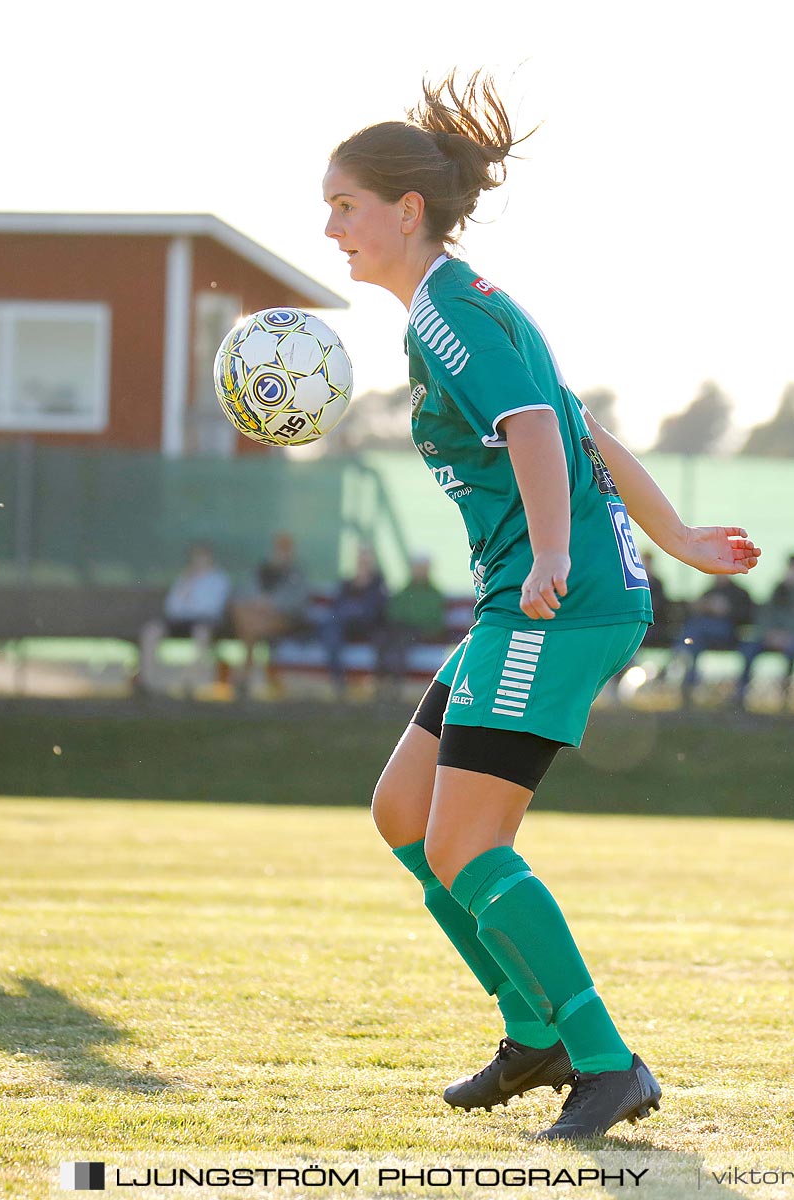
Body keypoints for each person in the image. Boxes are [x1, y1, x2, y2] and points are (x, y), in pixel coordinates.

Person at [325, 73, 759, 1140]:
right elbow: (578, 427)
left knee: (468, 842)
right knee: (405, 819)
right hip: (528, 601)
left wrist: (557, 553)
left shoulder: (454, 311)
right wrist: (681, 538)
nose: (330, 227)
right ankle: (536, 1034)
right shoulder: (448, 309)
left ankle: (603, 1061)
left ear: (405, 210)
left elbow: (531, 425)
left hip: (553, 607)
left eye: (343, 205)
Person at [139, 543, 230, 695]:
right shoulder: (184, 578)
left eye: (202, 558)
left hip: (204, 621)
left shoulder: (219, 580)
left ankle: (195, 681)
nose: (198, 562)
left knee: (201, 632)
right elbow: (172, 607)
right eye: (195, 559)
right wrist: (188, 586)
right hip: (179, 620)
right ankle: (147, 681)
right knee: (151, 630)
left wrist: (191, 603)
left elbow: (211, 608)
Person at [735, 554, 794, 708]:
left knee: (792, 649)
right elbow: (765, 614)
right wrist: (769, 633)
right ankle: (740, 694)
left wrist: (788, 634)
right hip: (772, 636)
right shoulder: (778, 589)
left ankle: (785, 696)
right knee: (749, 649)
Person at [230, 532, 309, 696]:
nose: (282, 553)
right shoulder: (260, 571)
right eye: (279, 549)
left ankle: (245, 672)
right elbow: (243, 592)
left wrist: (271, 604)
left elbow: (297, 602)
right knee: (243, 613)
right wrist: (258, 602)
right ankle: (250, 673)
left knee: (251, 625)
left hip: (283, 619)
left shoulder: (296, 574)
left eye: (286, 549)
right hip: (256, 617)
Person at [316, 545, 387, 694]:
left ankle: (377, 688)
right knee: (331, 631)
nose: (363, 563)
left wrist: (357, 610)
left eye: (366, 559)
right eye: (361, 559)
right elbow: (336, 608)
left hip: (369, 627)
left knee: (382, 640)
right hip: (346, 626)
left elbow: (377, 611)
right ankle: (338, 683)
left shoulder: (378, 584)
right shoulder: (346, 584)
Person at [673, 574, 754, 703]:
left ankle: (680, 651)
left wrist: (727, 610)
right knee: (694, 641)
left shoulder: (738, 592)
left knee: (694, 632)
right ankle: (688, 680)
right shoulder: (710, 591)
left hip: (729, 634)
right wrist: (704, 607)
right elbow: (695, 610)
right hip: (705, 638)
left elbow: (746, 615)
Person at [379, 552, 446, 690]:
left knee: (401, 642)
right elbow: (393, 613)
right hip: (401, 630)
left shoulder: (434, 594)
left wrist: (413, 622)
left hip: (421, 633)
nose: (419, 570)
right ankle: (381, 681)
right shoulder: (404, 591)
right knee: (382, 638)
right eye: (417, 567)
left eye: (422, 567)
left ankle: (396, 684)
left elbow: (435, 622)